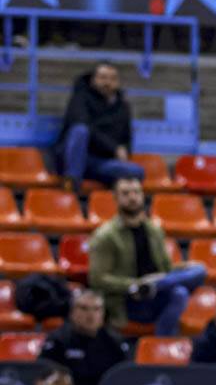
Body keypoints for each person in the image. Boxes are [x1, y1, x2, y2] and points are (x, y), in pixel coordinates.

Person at [88, 177, 207, 336]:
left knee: (199, 270)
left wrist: (182, 267)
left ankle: (154, 285)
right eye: (126, 193)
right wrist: (136, 284)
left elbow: (166, 269)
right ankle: (161, 340)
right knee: (179, 293)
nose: (132, 197)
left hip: (158, 292)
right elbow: (97, 279)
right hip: (130, 299)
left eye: (136, 192)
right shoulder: (105, 236)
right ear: (116, 198)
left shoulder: (154, 230)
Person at [53, 62, 145, 192]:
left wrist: (124, 152)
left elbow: (126, 139)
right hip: (73, 158)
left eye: (112, 78)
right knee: (80, 131)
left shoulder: (123, 107)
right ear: (93, 79)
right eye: (103, 77)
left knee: (136, 171)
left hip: (99, 163)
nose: (107, 82)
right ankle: (71, 184)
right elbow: (84, 126)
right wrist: (114, 148)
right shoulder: (80, 97)